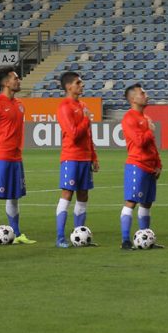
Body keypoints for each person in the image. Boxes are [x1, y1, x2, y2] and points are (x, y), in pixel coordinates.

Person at [0, 68, 36, 247]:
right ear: (6, 83)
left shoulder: (20, 104)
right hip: (0, 156)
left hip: (16, 158)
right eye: (15, 78)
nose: (19, 81)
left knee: (14, 196)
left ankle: (17, 233)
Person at [54, 71, 98, 248]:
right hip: (71, 157)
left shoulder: (83, 105)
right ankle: (60, 238)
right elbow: (73, 134)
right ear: (69, 86)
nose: (82, 85)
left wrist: (93, 156)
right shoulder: (64, 107)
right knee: (67, 195)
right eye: (78, 83)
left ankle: (79, 234)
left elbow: (88, 135)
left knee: (83, 196)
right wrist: (86, 120)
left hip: (85, 158)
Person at [120, 83, 162, 250]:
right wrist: (149, 130)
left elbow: (151, 145)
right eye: (142, 93)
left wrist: (158, 163)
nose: (146, 95)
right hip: (137, 165)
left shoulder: (145, 118)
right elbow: (139, 141)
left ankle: (145, 239)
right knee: (131, 202)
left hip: (150, 167)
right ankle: (125, 240)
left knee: (146, 203)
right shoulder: (129, 118)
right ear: (132, 98)